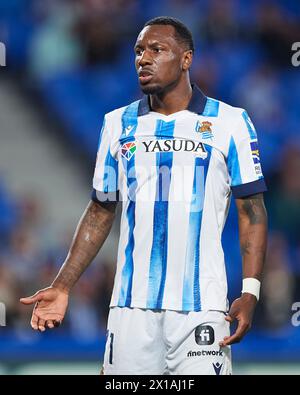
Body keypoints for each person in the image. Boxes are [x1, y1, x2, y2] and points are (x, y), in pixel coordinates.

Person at [20, 16, 268, 375]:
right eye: (138, 51)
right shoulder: (117, 124)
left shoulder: (230, 122)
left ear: (186, 59)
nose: (144, 59)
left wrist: (251, 290)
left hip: (201, 307)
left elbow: (252, 210)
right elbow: (101, 208)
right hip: (130, 307)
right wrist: (62, 285)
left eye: (157, 49)